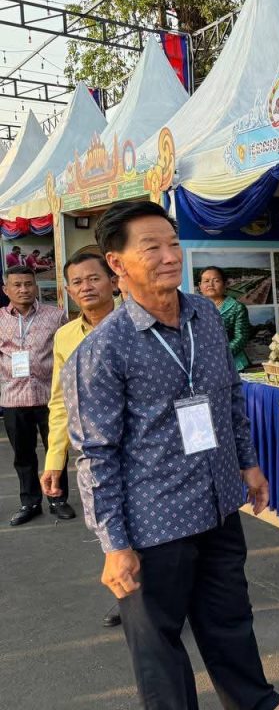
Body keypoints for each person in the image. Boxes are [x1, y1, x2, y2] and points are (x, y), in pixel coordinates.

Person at [63, 201, 279, 710]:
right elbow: (95, 454)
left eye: (173, 243)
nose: (169, 256)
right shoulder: (103, 349)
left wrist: (248, 464)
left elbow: (230, 396)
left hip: (218, 502)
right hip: (154, 521)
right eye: (151, 247)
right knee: (159, 645)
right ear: (117, 263)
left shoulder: (205, 315)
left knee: (230, 619)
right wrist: (114, 544)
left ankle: (257, 703)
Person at [41, 251, 122, 627]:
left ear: (113, 282)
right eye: (77, 282)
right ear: (69, 291)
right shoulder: (65, 336)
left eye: (93, 278)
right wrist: (54, 459)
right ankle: (130, 597)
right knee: (111, 527)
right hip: (96, 451)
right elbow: (60, 402)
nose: (85, 287)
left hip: (145, 446)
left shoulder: (136, 324)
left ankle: (160, 599)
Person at [0, 264, 69, 525]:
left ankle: (58, 499)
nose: (24, 289)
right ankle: (29, 502)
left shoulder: (56, 316)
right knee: (23, 455)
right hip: (13, 399)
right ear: (6, 290)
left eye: (28, 284)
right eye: (17, 285)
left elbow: (66, 353)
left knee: (56, 450)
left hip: (50, 397)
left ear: (35, 286)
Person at [199, 265, 251, 371]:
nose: (210, 284)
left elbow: (241, 338)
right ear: (200, 286)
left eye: (216, 281)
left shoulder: (237, 307)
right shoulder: (194, 308)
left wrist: (218, 355)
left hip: (233, 365)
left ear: (225, 284)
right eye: (206, 281)